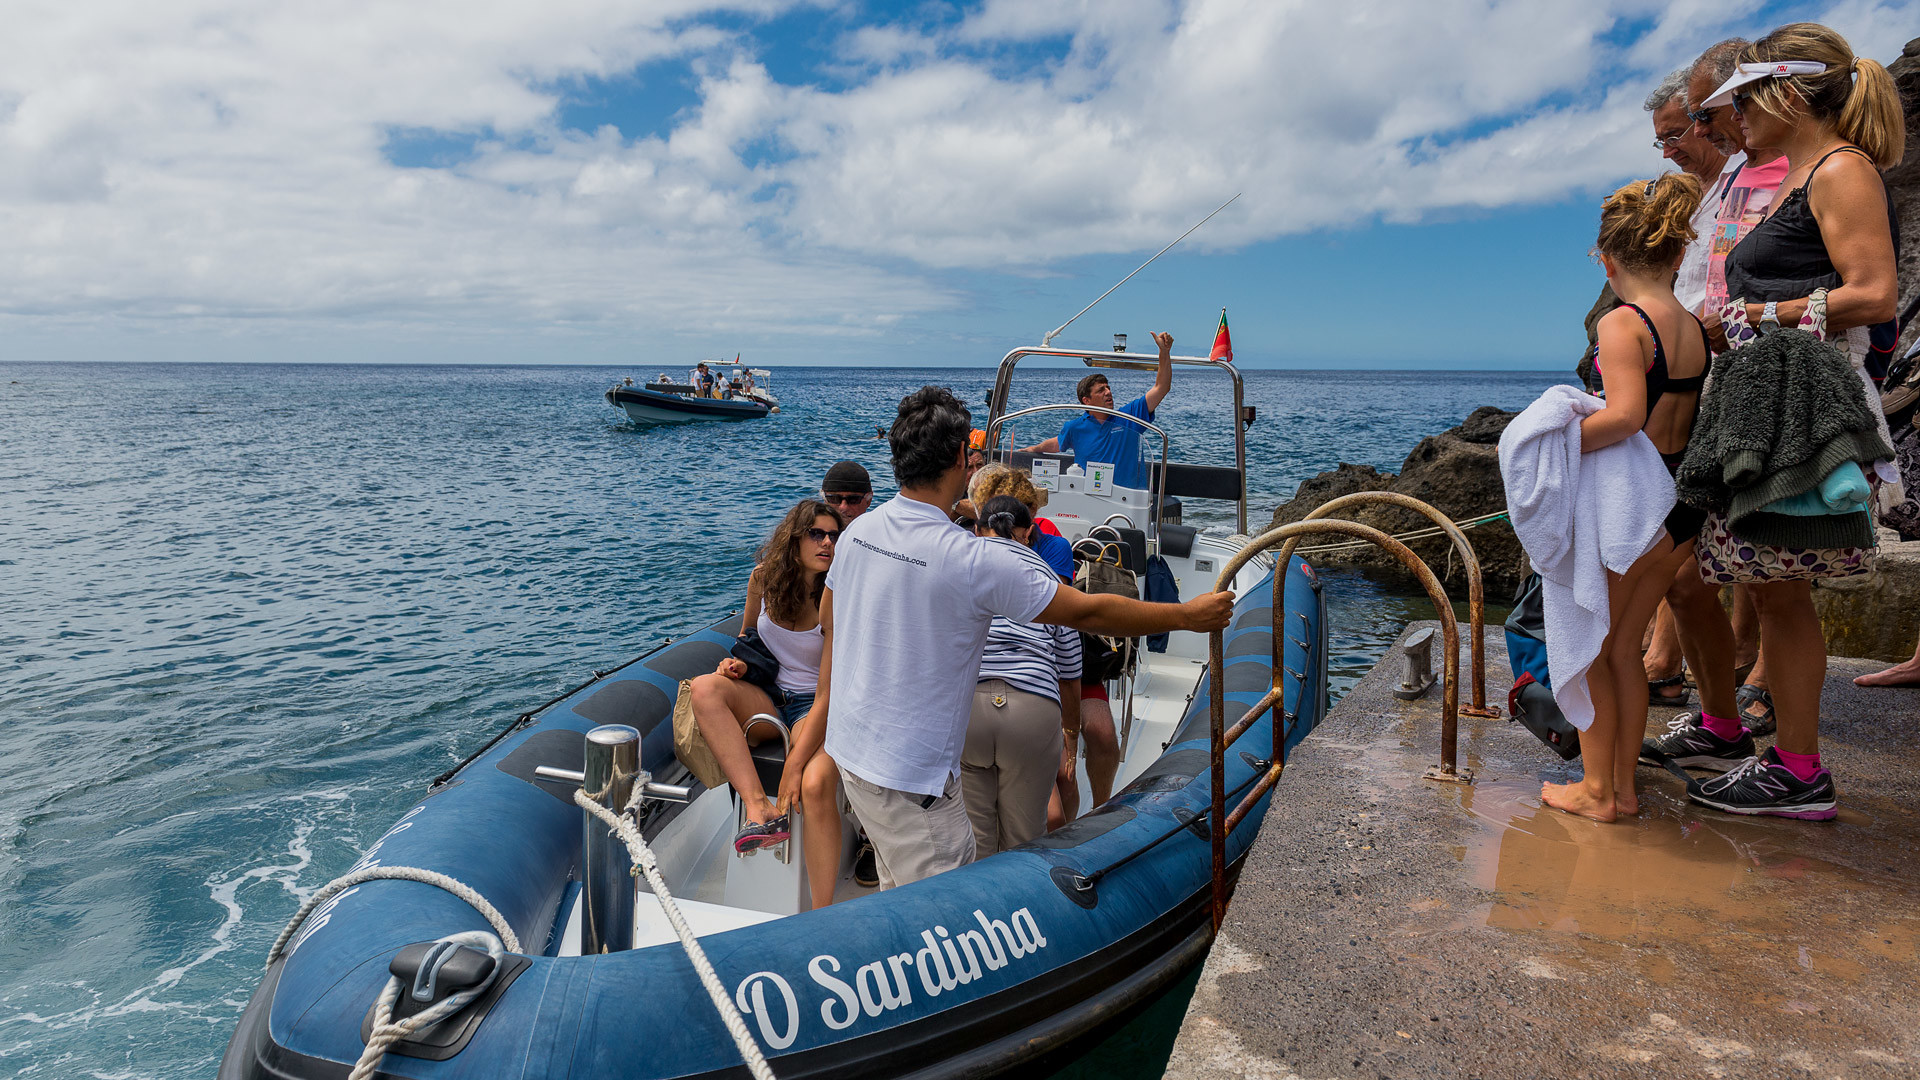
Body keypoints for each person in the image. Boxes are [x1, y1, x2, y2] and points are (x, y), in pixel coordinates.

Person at [777, 387, 1233, 889]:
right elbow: (1089, 610)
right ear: (960, 460)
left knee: (895, 883)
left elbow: (832, 621)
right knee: (939, 914)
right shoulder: (973, 560)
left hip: (854, 757)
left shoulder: (858, 533)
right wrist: (1186, 615)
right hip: (915, 779)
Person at [1658, 22, 1903, 819]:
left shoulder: (1840, 170)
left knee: (1783, 593)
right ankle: (1765, 751)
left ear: (1787, 93)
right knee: (1758, 588)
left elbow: (1875, 294)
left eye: (1741, 103)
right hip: (1768, 403)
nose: (1730, 121)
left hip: (1801, 409)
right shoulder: (1805, 172)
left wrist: (1764, 310)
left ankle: (1799, 772)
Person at [1538, 173, 1711, 823]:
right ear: (1676, 256)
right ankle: (1624, 790)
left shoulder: (1621, 324)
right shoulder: (1690, 326)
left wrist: (1553, 442)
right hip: (1681, 508)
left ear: (1607, 263)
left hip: (1637, 511)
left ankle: (1598, 791)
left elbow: (1627, 417)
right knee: (1626, 652)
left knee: (1596, 653)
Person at [686, 499, 848, 909]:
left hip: (818, 702)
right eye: (817, 534)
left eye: (834, 535)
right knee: (705, 687)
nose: (827, 542)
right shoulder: (763, 580)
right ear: (794, 539)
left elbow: (830, 692)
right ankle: (760, 809)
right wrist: (736, 663)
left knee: (813, 784)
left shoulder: (839, 595)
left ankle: (822, 911)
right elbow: (748, 640)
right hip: (771, 694)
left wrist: (792, 767)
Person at [1640, 66, 1733, 707]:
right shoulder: (1688, 196)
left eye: (1683, 130)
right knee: (1686, 553)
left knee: (1720, 548)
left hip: (1728, 375)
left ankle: (1734, 679)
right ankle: (1669, 663)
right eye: (1664, 139)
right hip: (1690, 376)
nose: (1674, 146)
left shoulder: (1743, 186)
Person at [962, 495, 1084, 856]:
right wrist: (1071, 736)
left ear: (976, 529)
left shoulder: (962, 570)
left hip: (968, 705)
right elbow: (1070, 669)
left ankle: (976, 911)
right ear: (1030, 533)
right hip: (1032, 707)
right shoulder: (1045, 576)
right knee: (1024, 839)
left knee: (976, 840)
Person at [1020, 331, 1175, 490]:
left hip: (1128, 500)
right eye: (1101, 390)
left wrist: (1164, 352)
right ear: (1086, 401)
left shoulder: (1129, 416)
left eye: (1108, 388)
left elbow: (1162, 387)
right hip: (1089, 498)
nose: (1108, 392)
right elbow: (1057, 443)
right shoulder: (1074, 427)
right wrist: (1033, 449)